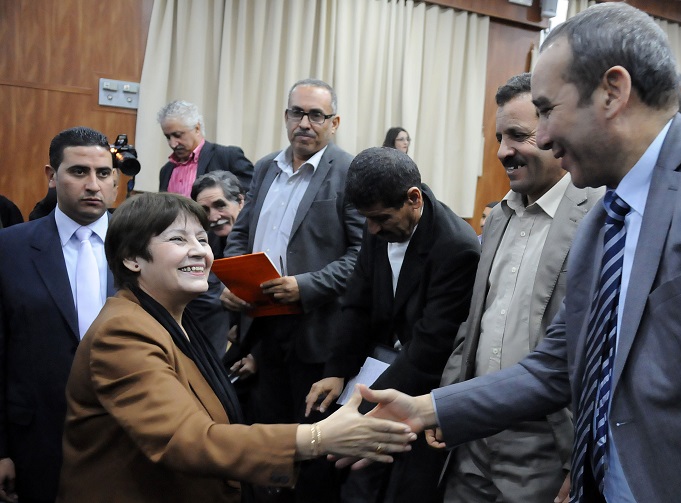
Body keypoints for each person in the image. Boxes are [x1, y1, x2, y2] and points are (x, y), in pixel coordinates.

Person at [352, 3, 681, 502]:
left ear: (612, 92)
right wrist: (428, 407)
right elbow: (556, 366)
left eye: (547, 110)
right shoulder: (603, 221)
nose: (542, 137)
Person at [55, 192, 414, 503]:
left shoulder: (174, 319)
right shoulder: (123, 332)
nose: (199, 252)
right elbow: (186, 439)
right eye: (178, 240)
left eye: (202, 239)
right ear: (132, 259)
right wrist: (319, 437)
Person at [438, 72, 602, 503]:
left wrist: (579, 459)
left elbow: (600, 352)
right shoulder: (497, 218)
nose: (502, 152)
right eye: (499, 138)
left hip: (547, 444)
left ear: (553, 132)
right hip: (471, 435)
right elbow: (473, 323)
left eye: (517, 136)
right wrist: (447, 403)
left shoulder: (599, 214)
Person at [306, 147, 480, 503]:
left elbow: (431, 347)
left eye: (380, 219)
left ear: (413, 199)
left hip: (423, 390)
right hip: (381, 367)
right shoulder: (379, 222)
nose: (371, 229)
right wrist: (336, 371)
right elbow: (357, 305)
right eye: (366, 219)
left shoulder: (456, 248)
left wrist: (365, 404)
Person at [222, 78, 365, 503]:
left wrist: (305, 286)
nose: (305, 123)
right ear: (286, 117)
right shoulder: (266, 166)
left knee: (311, 445)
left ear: (334, 122)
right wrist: (232, 281)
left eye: (316, 115)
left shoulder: (349, 171)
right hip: (261, 328)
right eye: (297, 113)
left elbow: (362, 255)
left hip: (316, 331)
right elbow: (241, 233)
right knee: (266, 433)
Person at [0, 126, 119, 502]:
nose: (93, 185)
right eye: (79, 171)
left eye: (103, 173)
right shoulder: (9, 249)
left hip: (127, 436)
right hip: (35, 440)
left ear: (115, 180)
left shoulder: (142, 246)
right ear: (52, 176)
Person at [187, 171, 246, 357]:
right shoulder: (200, 244)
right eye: (205, 210)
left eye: (220, 205)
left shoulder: (261, 238)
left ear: (240, 201)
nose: (213, 217)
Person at [157, 100, 255, 196]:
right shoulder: (166, 171)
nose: (173, 144)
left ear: (197, 128)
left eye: (178, 135)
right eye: (168, 137)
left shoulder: (227, 157)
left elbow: (253, 195)